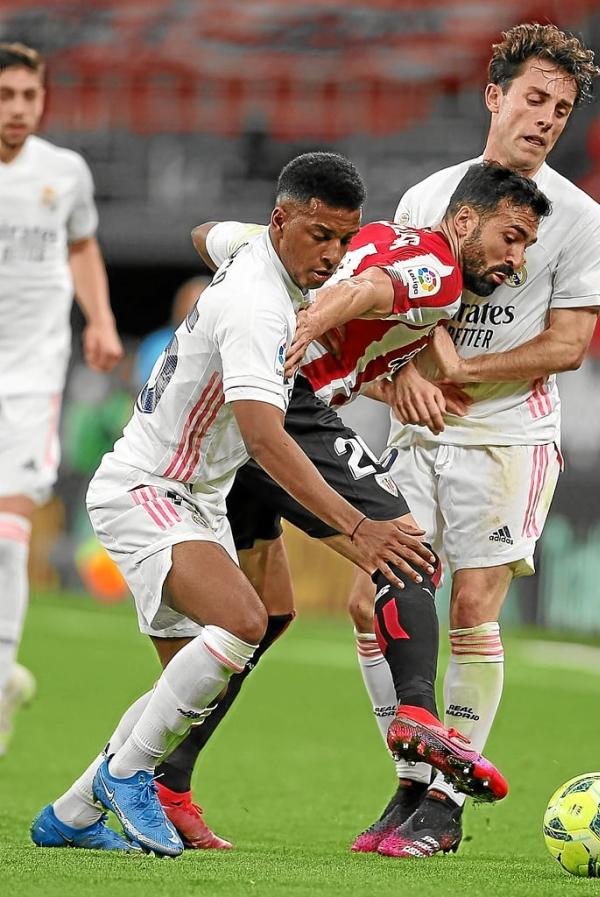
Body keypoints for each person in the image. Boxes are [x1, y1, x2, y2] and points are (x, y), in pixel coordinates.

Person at [30, 152, 442, 856]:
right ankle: (127, 777)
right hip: (151, 489)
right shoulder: (256, 304)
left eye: (345, 239)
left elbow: (201, 233)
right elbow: (263, 436)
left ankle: (68, 814)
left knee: (184, 677)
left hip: (192, 495)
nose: (334, 256)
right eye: (320, 236)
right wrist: (356, 530)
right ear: (283, 220)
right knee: (245, 619)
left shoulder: (264, 250)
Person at [151, 161, 552, 848]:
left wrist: (382, 377)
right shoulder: (438, 266)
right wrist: (308, 323)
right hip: (282, 407)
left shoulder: (342, 244)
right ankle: (420, 716)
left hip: (231, 424)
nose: (515, 261)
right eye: (510, 238)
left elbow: (202, 235)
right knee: (407, 551)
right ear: (463, 223)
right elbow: (368, 289)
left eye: (526, 248)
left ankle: (167, 779)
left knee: (267, 612)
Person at [346, 23, 600, 858]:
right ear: (494, 95)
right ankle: (411, 777)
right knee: (369, 601)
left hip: (508, 440)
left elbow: (568, 345)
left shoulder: (581, 217)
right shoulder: (428, 198)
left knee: (469, 607)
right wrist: (405, 375)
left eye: (560, 109)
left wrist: (456, 372)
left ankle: (445, 805)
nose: (544, 119)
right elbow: (395, 316)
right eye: (533, 98)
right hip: (419, 436)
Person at [0, 43, 123, 757]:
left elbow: (82, 247)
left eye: (28, 95)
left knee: (11, 527)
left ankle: (1, 670)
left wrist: (101, 319)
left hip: (29, 372)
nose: (18, 108)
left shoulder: (64, 173)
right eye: (7, 94)